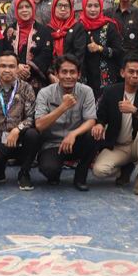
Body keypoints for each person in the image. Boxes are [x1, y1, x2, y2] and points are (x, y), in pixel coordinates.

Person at [91, 55, 138, 195]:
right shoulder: (110, 91)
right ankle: (125, 169)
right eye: (131, 71)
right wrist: (100, 125)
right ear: (123, 73)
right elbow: (101, 115)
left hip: (137, 144)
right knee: (99, 171)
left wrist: (135, 110)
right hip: (118, 146)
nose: (135, 75)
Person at [0, 51, 41, 190]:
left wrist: (18, 129)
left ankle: (24, 173)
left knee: (33, 135)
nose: (7, 70)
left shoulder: (26, 88)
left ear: (17, 68)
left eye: (11, 66)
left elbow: (31, 117)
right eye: (3, 66)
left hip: (20, 139)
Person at [34, 55, 98, 190]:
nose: (68, 76)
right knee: (49, 169)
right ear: (57, 74)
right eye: (64, 72)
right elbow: (39, 125)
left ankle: (80, 177)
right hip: (53, 144)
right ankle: (54, 173)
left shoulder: (86, 91)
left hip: (76, 141)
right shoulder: (45, 93)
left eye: (72, 72)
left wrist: (73, 134)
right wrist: (63, 107)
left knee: (93, 134)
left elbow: (91, 120)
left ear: (79, 74)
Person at [65, 0, 122, 89]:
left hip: (105, 79)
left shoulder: (109, 26)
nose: (93, 9)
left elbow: (118, 52)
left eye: (96, 6)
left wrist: (100, 48)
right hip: (83, 78)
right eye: (89, 6)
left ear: (101, 7)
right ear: (84, 7)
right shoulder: (77, 26)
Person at [0, 0, 52, 89]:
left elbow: (46, 53)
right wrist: (17, 66)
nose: (24, 10)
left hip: (36, 80)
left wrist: (29, 67)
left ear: (33, 9)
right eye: (20, 7)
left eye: (27, 7)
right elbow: (4, 51)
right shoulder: (9, 30)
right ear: (16, 10)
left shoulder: (43, 31)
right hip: (12, 78)